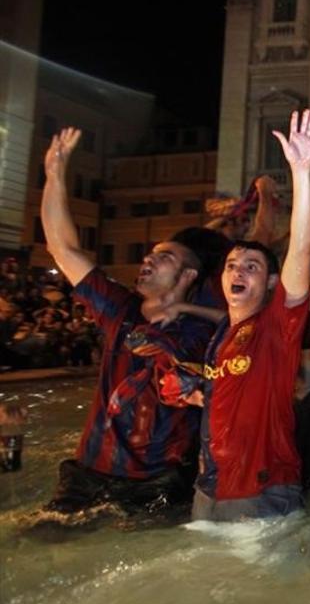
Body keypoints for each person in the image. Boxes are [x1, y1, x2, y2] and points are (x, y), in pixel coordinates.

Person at [37, 127, 216, 517]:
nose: (147, 260)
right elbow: (62, 247)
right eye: (149, 254)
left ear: (188, 277)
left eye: (163, 257)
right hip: (88, 471)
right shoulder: (121, 307)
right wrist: (55, 174)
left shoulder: (204, 332)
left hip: (157, 483)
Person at [184, 109, 310, 521]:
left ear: (271, 283)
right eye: (231, 265)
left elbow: (300, 249)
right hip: (210, 486)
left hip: (263, 488)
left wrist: (301, 173)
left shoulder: (277, 325)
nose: (237, 272)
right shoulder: (221, 334)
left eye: (251, 267)